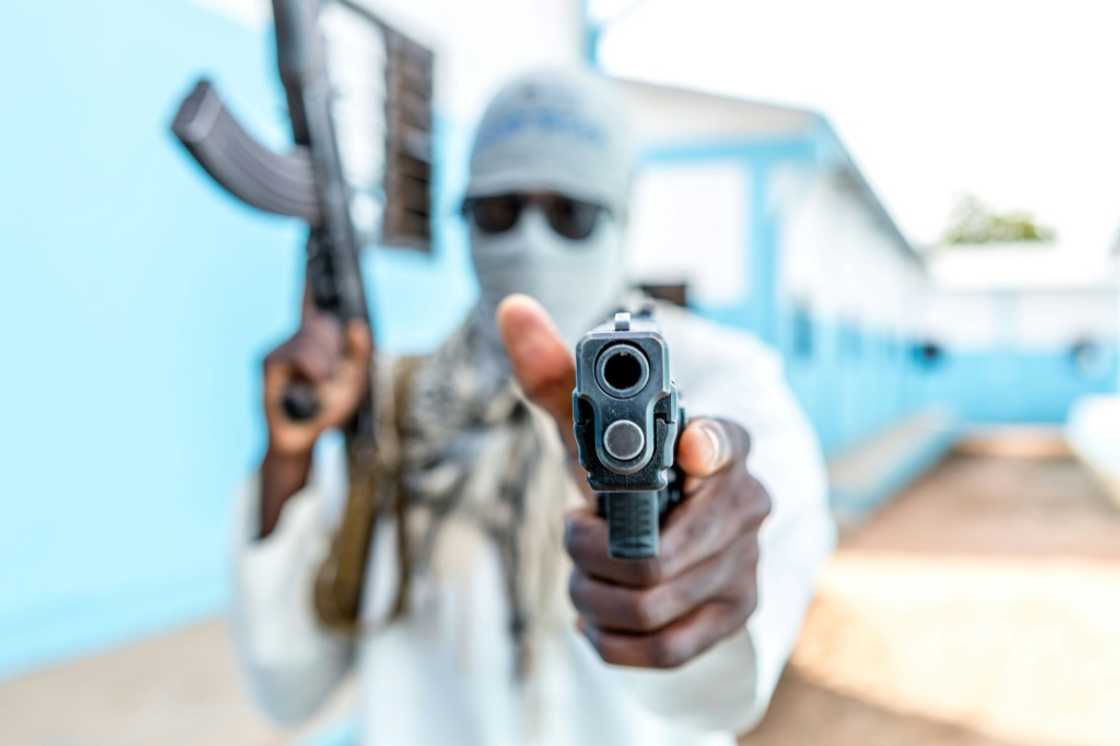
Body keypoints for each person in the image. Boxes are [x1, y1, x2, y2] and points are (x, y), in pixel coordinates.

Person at [231, 67, 835, 746]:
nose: (529, 242)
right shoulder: (395, 404)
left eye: (570, 214)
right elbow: (289, 683)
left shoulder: (723, 381)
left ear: (623, 218)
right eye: (497, 212)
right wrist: (291, 457)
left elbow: (719, 696)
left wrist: (683, 555)